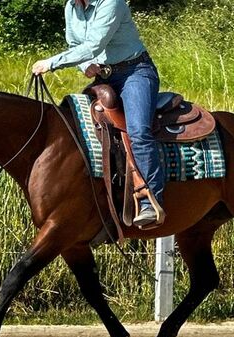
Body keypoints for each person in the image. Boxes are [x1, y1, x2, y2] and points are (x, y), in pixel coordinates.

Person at [32, 0, 163, 228]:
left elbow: (93, 45)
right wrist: (85, 66)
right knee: (81, 129)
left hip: (135, 72)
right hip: (105, 77)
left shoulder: (112, 3)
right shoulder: (71, 6)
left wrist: (51, 63)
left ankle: (150, 201)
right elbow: (74, 42)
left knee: (138, 131)